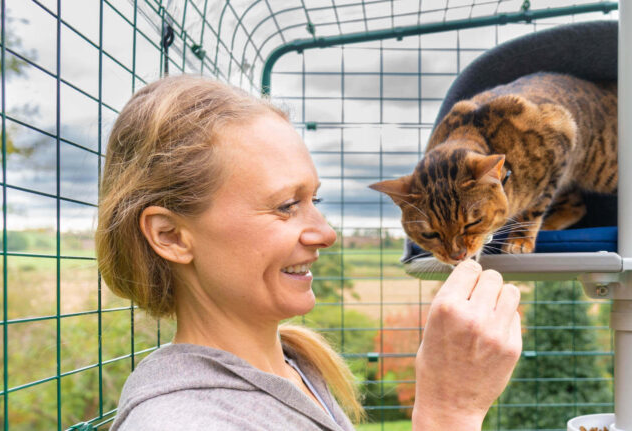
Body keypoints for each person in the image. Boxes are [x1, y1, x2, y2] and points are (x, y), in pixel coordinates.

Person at [99, 75, 522, 430]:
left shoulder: (294, 367)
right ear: (170, 235)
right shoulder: (183, 421)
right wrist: (448, 412)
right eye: (286, 205)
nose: (326, 234)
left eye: (313, 201)